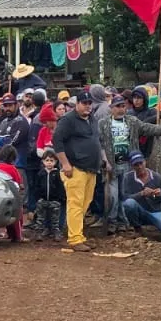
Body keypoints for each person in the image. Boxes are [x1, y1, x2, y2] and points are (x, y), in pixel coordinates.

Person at [53, 90, 103, 251]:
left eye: (90, 103)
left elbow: (96, 141)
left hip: (91, 168)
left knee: (85, 203)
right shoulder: (68, 120)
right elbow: (57, 141)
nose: (88, 106)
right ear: (77, 104)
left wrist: (102, 161)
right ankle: (75, 239)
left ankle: (77, 234)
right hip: (75, 168)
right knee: (75, 203)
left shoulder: (92, 119)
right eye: (85, 103)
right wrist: (65, 164)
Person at [119, 152, 161, 241]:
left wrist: (158, 195)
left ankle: (157, 227)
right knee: (129, 203)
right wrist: (141, 194)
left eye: (141, 163)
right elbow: (124, 198)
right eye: (136, 165)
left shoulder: (156, 176)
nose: (139, 167)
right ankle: (137, 229)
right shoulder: (128, 178)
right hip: (139, 212)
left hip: (155, 212)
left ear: (145, 162)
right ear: (132, 166)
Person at [34, 149, 67, 241]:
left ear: (56, 162)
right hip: (42, 200)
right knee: (40, 218)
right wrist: (38, 197)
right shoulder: (41, 173)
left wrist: (61, 198)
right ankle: (39, 233)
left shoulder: (57, 174)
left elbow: (60, 187)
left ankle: (56, 233)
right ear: (43, 161)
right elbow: (37, 186)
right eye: (47, 160)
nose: (49, 163)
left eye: (51, 161)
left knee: (55, 218)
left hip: (54, 200)